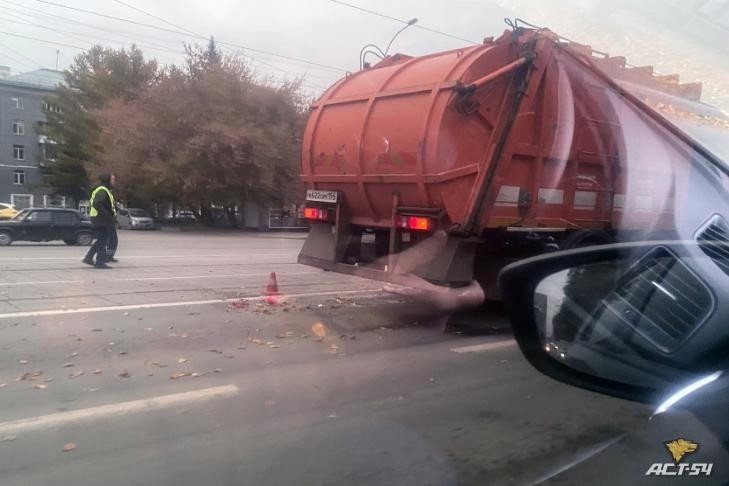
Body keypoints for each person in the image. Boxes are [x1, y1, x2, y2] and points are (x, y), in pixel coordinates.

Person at [82, 173, 117, 268]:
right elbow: (98, 204)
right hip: (101, 220)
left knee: (102, 240)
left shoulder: (103, 189)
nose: (114, 181)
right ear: (108, 180)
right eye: (113, 179)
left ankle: (89, 258)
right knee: (103, 240)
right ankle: (99, 262)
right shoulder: (102, 190)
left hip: (99, 219)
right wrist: (109, 217)